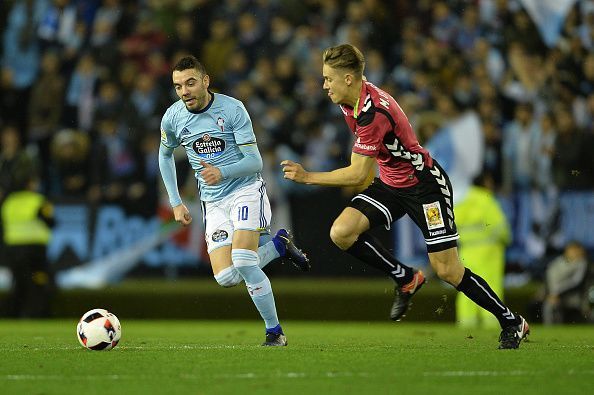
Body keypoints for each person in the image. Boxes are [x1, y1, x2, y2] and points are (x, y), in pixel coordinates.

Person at [281, 44, 529, 349]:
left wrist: (308, 177)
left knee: (447, 270)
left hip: (425, 187)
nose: (324, 85)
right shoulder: (351, 102)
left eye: (328, 79)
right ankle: (405, 277)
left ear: (348, 79)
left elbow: (359, 175)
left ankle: (511, 321)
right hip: (391, 184)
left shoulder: (373, 113)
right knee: (342, 232)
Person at [158, 55, 310, 347]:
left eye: (190, 83)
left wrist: (222, 171)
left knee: (243, 259)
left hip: (245, 190)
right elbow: (164, 156)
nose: (184, 91)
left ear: (205, 81)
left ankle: (275, 332)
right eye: (178, 86)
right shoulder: (173, 117)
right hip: (212, 202)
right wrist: (176, 201)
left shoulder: (232, 109)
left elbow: (255, 161)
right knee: (226, 277)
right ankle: (279, 246)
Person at [454, 176, 511, 329]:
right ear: (485, 183)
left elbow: (454, 224)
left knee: (466, 283)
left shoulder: (462, 201)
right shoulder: (486, 200)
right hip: (489, 250)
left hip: (466, 249)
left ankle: (466, 321)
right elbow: (499, 226)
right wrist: (507, 239)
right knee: (490, 284)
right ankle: (492, 320)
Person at [0, 173, 54, 318]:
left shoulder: (9, 201)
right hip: (33, 249)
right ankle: (34, 313)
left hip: (12, 250)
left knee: (18, 283)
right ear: (30, 184)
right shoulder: (37, 200)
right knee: (38, 281)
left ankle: (13, 314)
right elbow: (50, 221)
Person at [542, 241, 590, 325]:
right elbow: (550, 279)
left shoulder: (582, 263)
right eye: (572, 250)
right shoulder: (558, 262)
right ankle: (550, 328)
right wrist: (548, 293)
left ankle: (556, 326)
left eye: (576, 250)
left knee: (552, 303)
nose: (574, 253)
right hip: (556, 295)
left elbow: (575, 282)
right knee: (550, 303)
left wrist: (557, 293)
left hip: (575, 297)